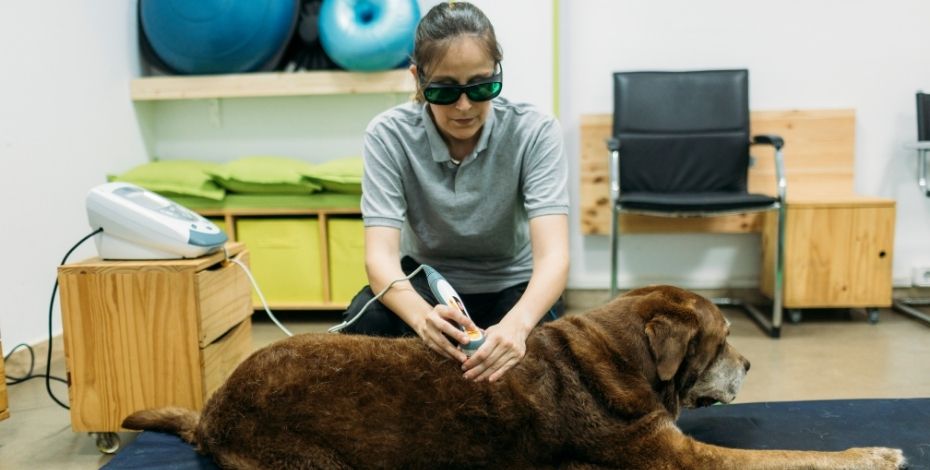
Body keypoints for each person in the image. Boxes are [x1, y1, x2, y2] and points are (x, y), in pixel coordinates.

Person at [340, 1, 569, 383]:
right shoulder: (388, 135)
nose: (464, 107)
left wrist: (516, 326)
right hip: (427, 283)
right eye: (445, 91)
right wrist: (420, 317)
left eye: (481, 86)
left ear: (497, 72)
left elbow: (554, 257)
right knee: (357, 346)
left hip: (511, 284)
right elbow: (380, 258)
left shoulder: (535, 131)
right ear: (418, 79)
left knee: (542, 371)